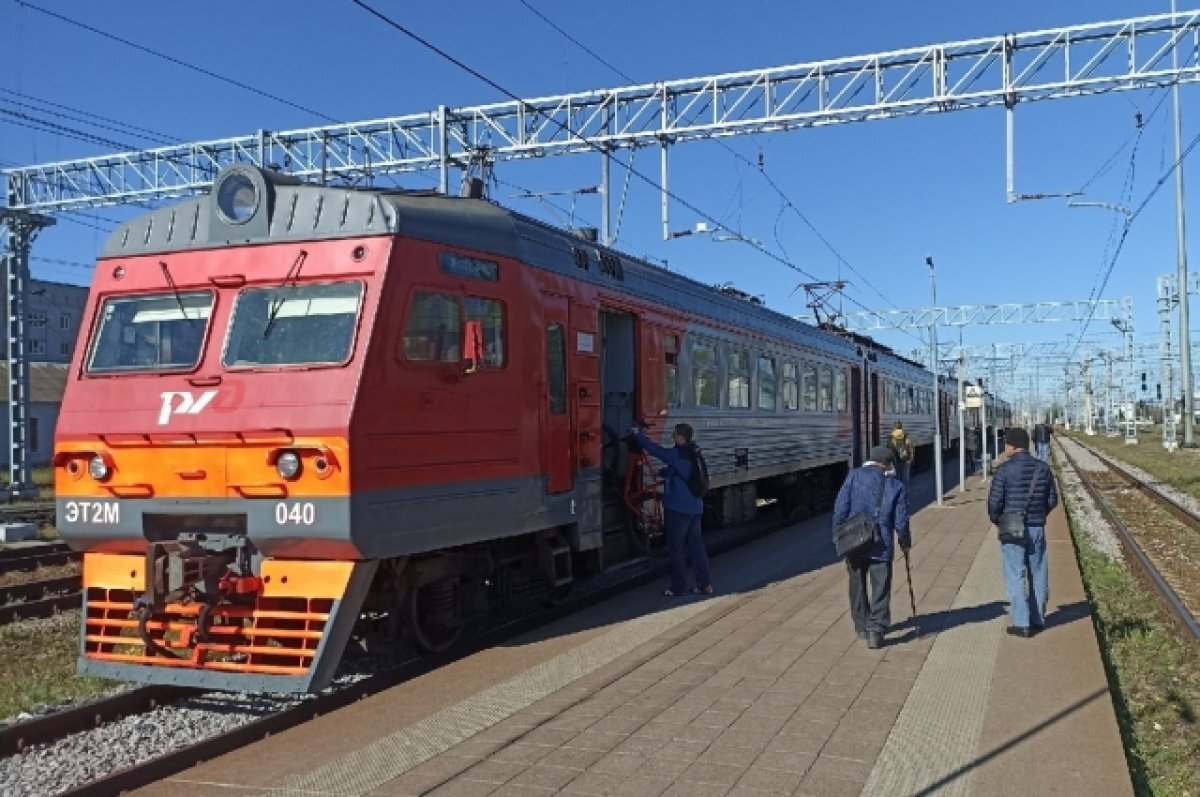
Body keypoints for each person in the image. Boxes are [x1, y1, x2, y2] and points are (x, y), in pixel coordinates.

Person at [831, 445, 911, 649]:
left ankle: (861, 625)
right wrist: (905, 542)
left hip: (855, 540)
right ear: (887, 464)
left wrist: (838, 535)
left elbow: (840, 508)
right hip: (881, 543)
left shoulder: (854, 476)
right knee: (881, 586)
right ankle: (876, 630)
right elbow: (901, 521)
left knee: (856, 584)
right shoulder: (896, 486)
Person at [987, 427, 1058, 638]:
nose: (1004, 446)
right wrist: (1038, 515)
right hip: (1036, 527)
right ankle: (1038, 619)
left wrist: (999, 520)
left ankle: (1021, 623)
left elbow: (994, 503)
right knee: (1038, 572)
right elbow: (1052, 499)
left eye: (1006, 443)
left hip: (1011, 528)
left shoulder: (1003, 471)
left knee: (1015, 574)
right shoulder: (1043, 469)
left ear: (1013, 446)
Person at [631, 422, 712, 597]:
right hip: (695, 508)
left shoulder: (677, 453)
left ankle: (678, 588)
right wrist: (663, 473)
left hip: (678, 509)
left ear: (682, 437)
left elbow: (655, 450)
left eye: (675, 435)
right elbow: (680, 470)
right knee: (697, 547)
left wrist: (638, 435)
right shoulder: (693, 451)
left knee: (676, 549)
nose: (672, 437)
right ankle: (704, 585)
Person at [887, 421, 914, 490]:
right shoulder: (906, 436)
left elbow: (889, 450)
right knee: (905, 480)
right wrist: (910, 459)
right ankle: (905, 495)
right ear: (901, 427)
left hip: (895, 461)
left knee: (896, 479)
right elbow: (911, 448)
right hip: (905, 461)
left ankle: (897, 495)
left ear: (894, 427)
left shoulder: (892, 437)